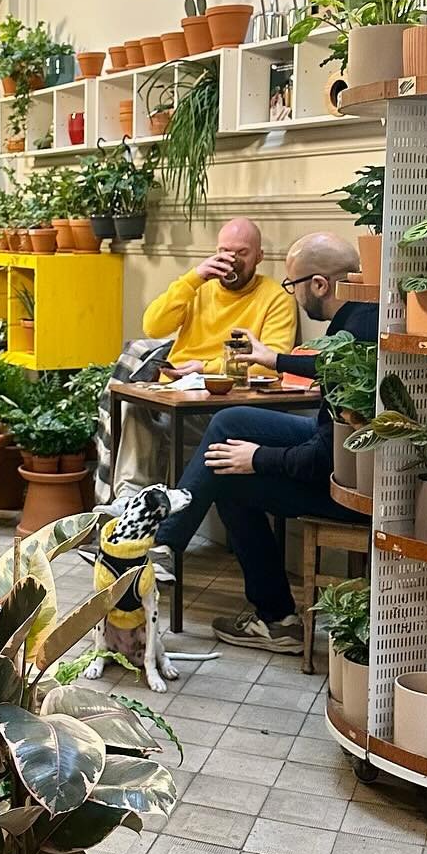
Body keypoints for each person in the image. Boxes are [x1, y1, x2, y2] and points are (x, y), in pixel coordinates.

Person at [153, 231, 378, 652]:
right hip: (341, 457)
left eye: (294, 284)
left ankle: (275, 618)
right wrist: (272, 358)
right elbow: (328, 371)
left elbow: (323, 460)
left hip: (351, 488)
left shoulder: (355, 336)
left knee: (228, 475)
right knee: (231, 420)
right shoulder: (363, 316)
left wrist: (259, 458)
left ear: (319, 285)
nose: (293, 293)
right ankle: (166, 544)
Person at [142, 217, 297, 375]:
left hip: (230, 386)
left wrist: (207, 369)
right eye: (224, 251)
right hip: (177, 381)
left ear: (259, 257)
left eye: (242, 253)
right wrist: (193, 279)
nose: (232, 261)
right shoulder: (196, 286)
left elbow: (272, 364)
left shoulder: (276, 297)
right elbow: (153, 328)